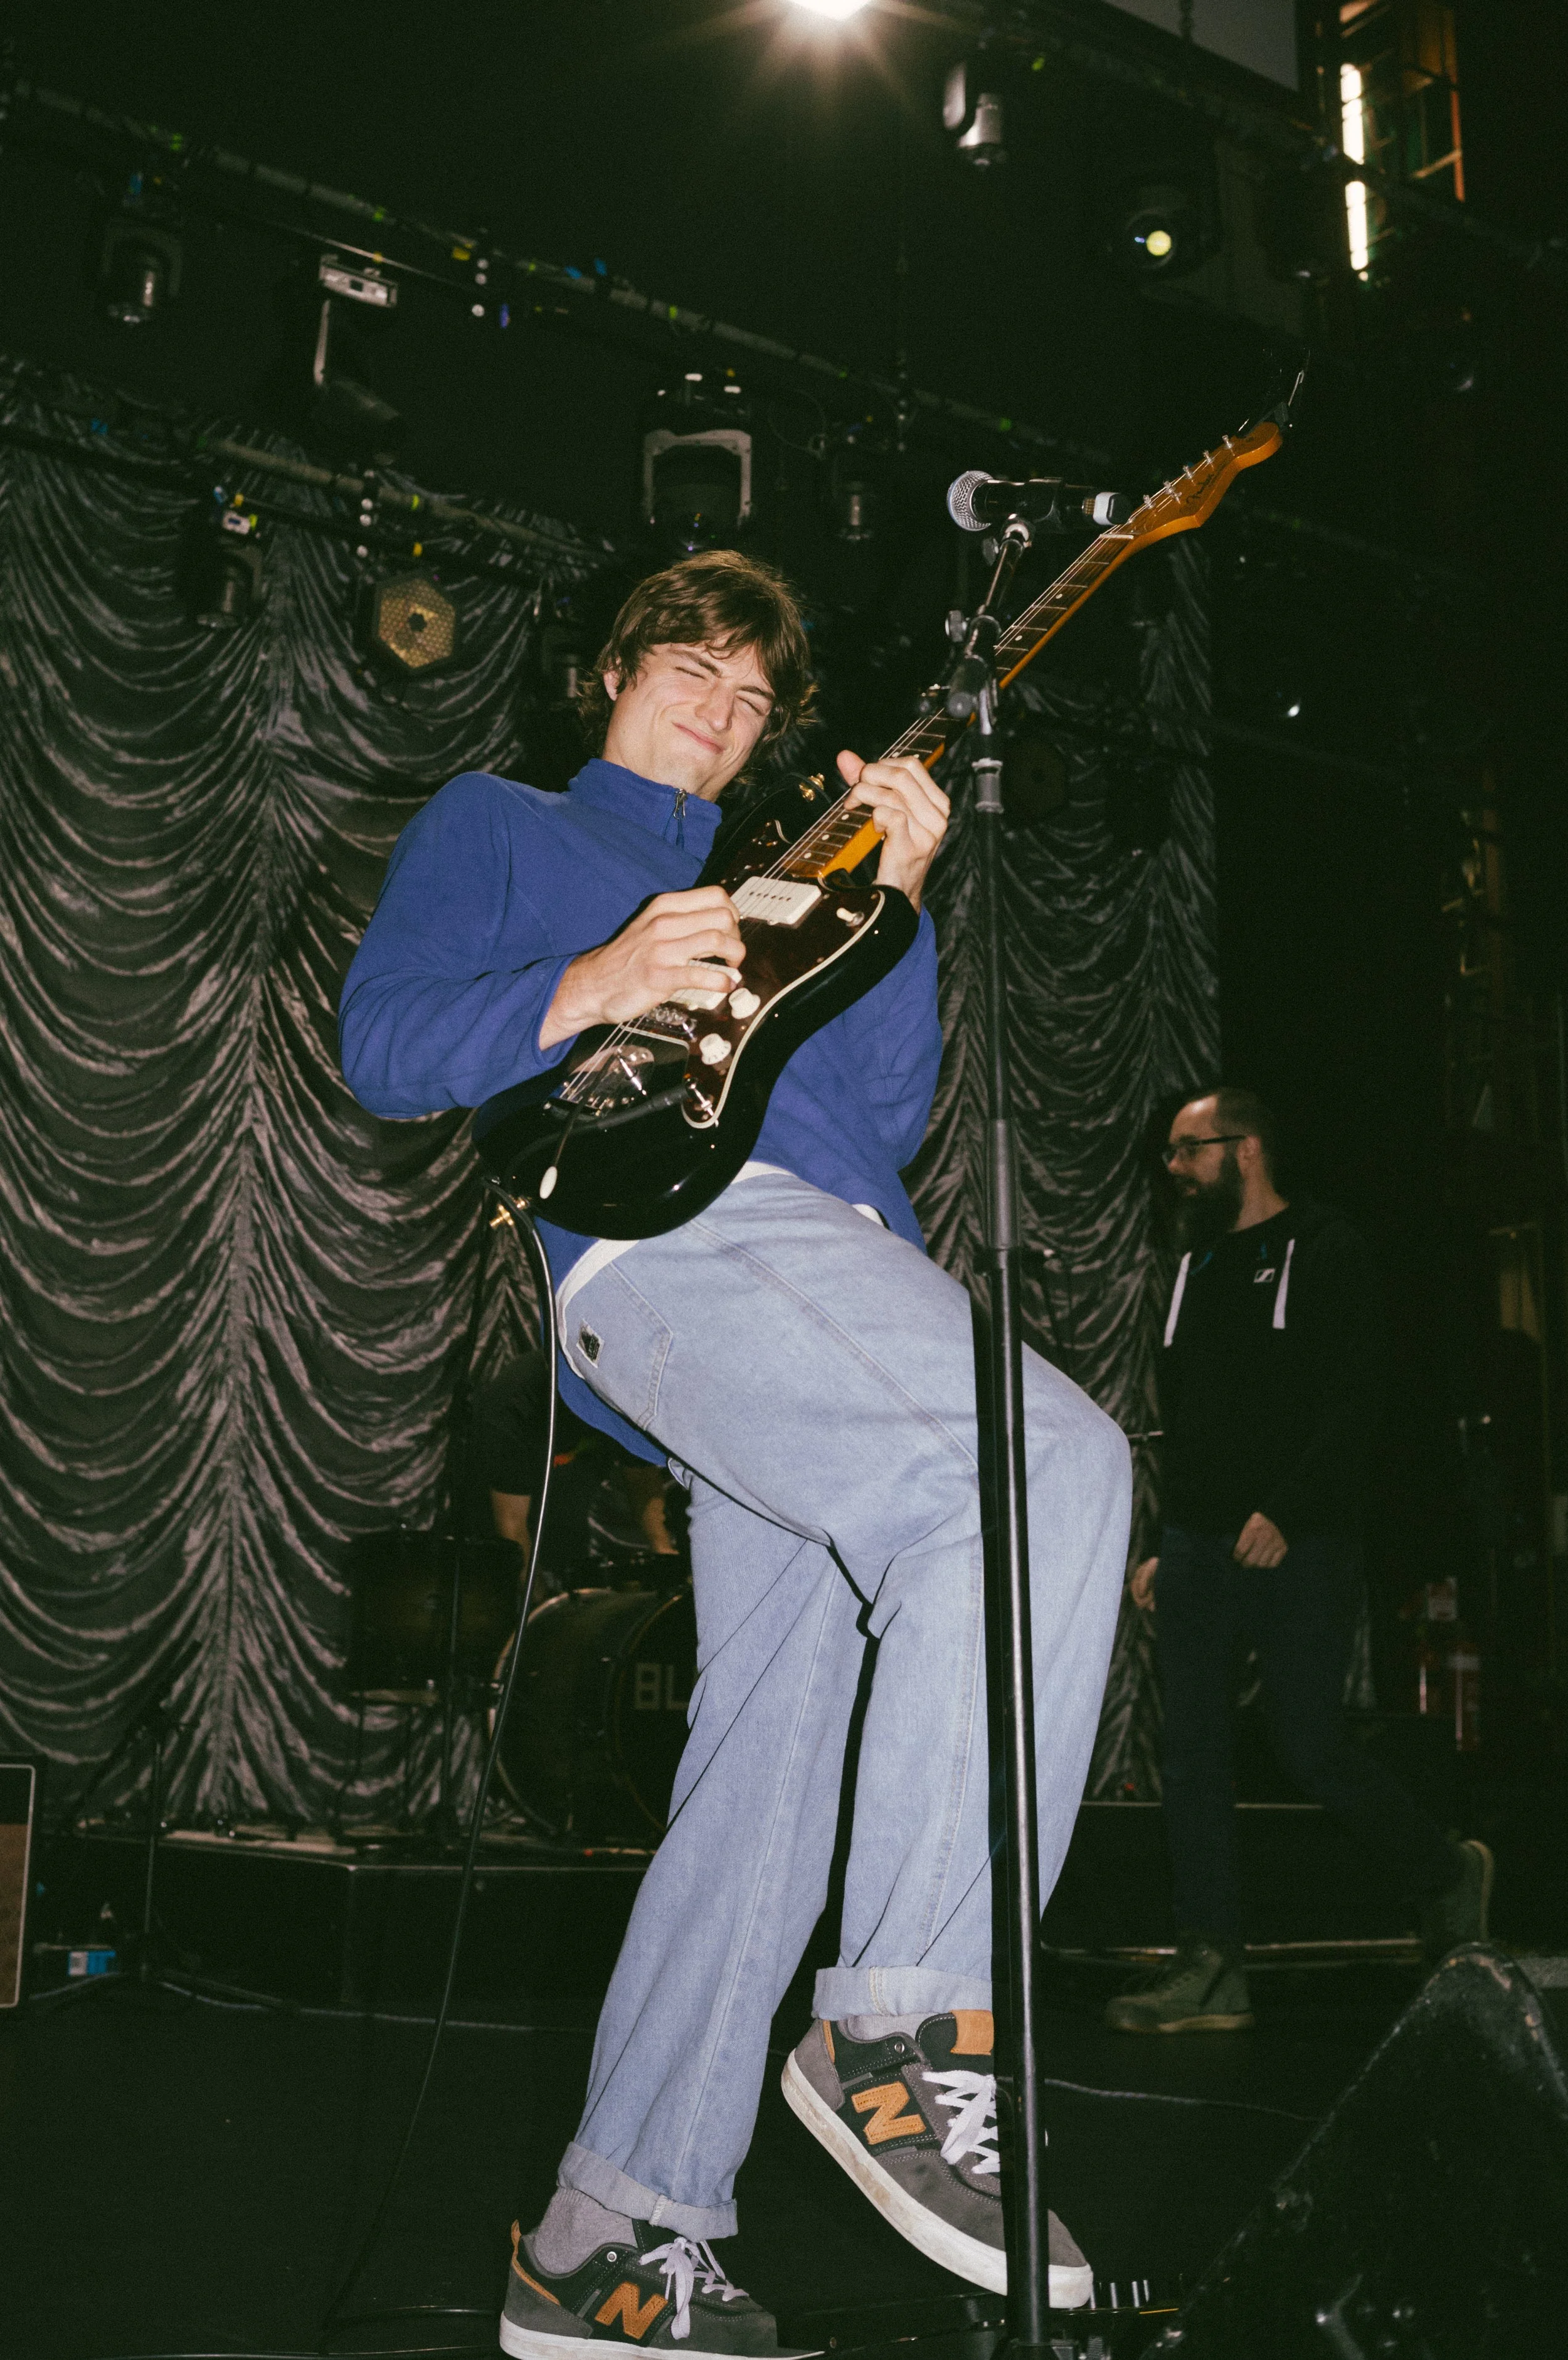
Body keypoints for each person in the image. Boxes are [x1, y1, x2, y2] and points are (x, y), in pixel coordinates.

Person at [341, 550, 1131, 2355]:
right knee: (1045, 1477)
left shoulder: (772, 886)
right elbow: (383, 1045)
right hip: (678, 1269)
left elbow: (870, 1126)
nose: (720, 710)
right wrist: (598, 972)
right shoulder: (504, 822)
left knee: (764, 1769)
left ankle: (611, 2235)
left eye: (755, 698)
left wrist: (896, 910)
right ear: (612, 672)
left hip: (816, 1282)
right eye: (690, 668)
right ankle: (906, 2034)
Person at [1106, 1087, 1491, 2036]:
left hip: (1301, 1538)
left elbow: (1356, 1399)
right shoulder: (1195, 1263)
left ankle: (1445, 1868)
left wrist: (1289, 1508)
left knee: (1306, 1739)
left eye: (1188, 1151)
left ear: (1246, 1150)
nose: (1174, 1169)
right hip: (1199, 1541)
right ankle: (1212, 1967)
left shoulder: (1328, 1249)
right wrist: (1164, 1540)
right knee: (1191, 1752)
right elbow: (1191, 1419)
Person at [472, 1352, 680, 1582]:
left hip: (569, 1531)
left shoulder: (615, 1391)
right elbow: (512, 1525)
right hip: (498, 1548)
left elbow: (641, 1478)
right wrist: (535, 1599)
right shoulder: (514, 1406)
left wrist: (664, 1553)